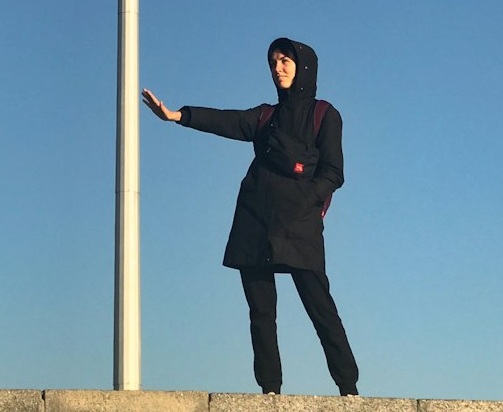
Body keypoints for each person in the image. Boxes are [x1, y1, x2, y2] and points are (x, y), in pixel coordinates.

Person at [143, 37, 359, 396]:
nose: (277, 67)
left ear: (303, 66)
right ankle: (270, 392)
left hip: (300, 226)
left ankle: (349, 390)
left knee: (321, 309)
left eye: (285, 60)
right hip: (254, 222)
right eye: (273, 61)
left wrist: (305, 202)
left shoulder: (324, 114)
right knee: (260, 313)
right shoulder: (265, 117)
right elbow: (227, 121)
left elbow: (334, 173)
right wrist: (177, 115)